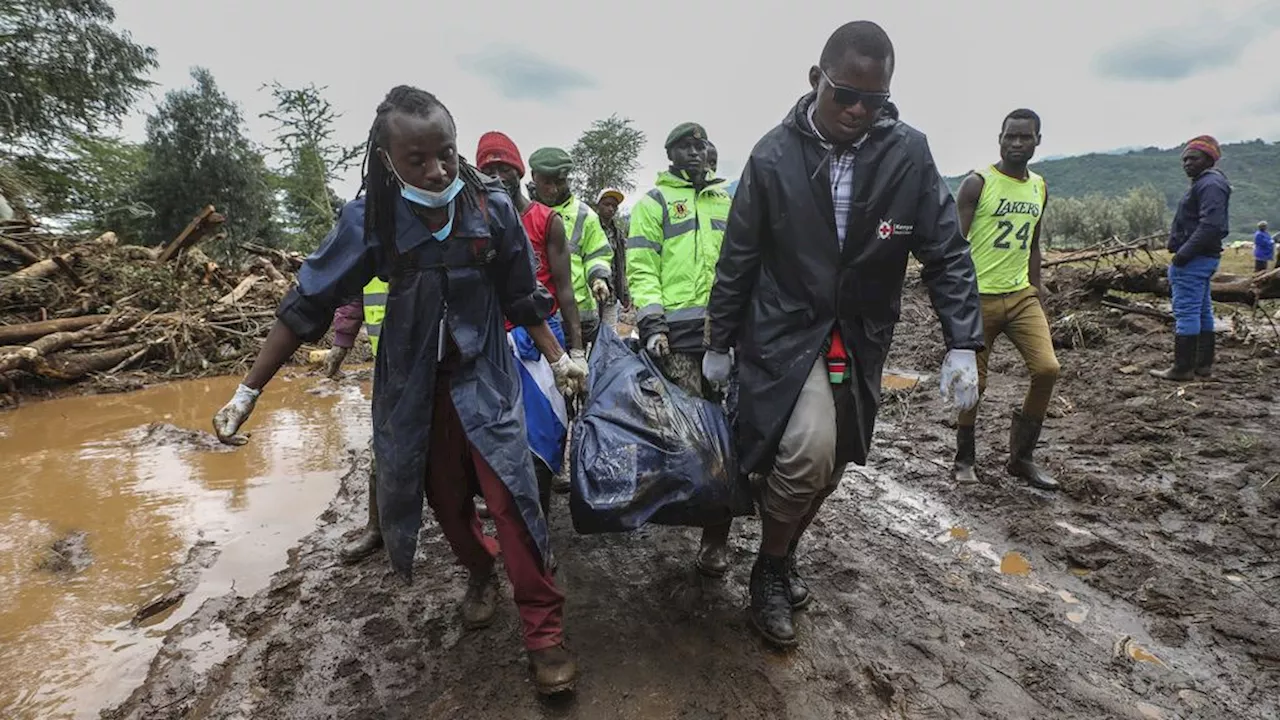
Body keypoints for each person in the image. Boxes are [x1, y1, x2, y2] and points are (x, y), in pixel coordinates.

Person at [210, 86, 583, 695]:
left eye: (446, 153)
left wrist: (560, 357)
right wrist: (249, 390)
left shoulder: (490, 210)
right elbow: (307, 303)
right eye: (418, 160)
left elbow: (522, 296)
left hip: (486, 379)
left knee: (515, 497)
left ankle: (545, 637)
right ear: (387, 160)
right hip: (413, 387)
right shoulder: (372, 220)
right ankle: (479, 568)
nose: (437, 171)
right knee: (441, 503)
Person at [704, 21, 982, 648]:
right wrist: (720, 341)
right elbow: (739, 256)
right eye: (845, 95)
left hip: (861, 331)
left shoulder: (907, 154)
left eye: (874, 100)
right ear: (815, 80)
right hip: (785, 329)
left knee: (840, 456)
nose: (858, 110)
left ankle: (780, 551)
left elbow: (944, 249)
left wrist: (961, 339)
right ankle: (770, 570)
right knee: (806, 449)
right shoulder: (773, 155)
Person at [627, 121, 735, 577]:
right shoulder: (654, 204)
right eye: (684, 147)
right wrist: (652, 324)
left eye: (700, 145)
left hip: (725, 336)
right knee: (689, 432)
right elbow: (641, 265)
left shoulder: (725, 202)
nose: (694, 152)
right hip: (677, 339)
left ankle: (716, 536)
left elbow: (740, 263)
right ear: (670, 155)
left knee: (727, 435)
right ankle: (681, 508)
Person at [476, 130, 587, 512]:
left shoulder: (545, 221)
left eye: (504, 167)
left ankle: (537, 523)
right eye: (488, 170)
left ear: (519, 171)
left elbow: (566, 290)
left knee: (544, 432)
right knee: (501, 432)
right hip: (495, 339)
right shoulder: (479, 223)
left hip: (542, 342)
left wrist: (575, 349)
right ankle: (511, 508)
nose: (497, 176)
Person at [952, 109, 1061, 491]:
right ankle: (964, 458)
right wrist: (955, 304)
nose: (1017, 144)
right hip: (977, 297)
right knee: (973, 384)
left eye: (1025, 137)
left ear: (1037, 141)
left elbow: (1033, 243)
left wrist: (1037, 288)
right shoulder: (977, 184)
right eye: (1010, 137)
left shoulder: (1039, 187)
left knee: (1047, 369)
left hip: (1020, 296)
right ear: (999, 138)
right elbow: (953, 247)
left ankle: (1022, 459)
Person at [1151, 135, 1230, 381]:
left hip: (1194, 259)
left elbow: (1211, 226)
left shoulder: (1209, 185)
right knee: (1202, 310)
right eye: (1184, 159)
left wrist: (1181, 256)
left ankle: (1182, 368)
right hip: (1203, 258)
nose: (1186, 163)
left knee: (1186, 312)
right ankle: (1202, 365)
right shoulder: (1207, 183)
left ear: (1209, 159)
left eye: (1193, 158)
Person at [323, 279, 390, 563]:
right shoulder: (370, 239)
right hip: (389, 363)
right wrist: (341, 340)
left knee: (460, 440)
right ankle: (377, 527)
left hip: (445, 356)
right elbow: (354, 292)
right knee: (382, 448)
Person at [529, 147, 615, 343]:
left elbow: (597, 254)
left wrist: (598, 279)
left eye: (559, 182)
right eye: (546, 182)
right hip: (535, 318)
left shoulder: (585, 215)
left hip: (580, 318)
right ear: (534, 177)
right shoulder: (522, 212)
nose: (553, 189)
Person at [596, 187, 629, 311]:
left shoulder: (618, 234)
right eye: (607, 204)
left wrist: (625, 292)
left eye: (614, 206)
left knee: (610, 330)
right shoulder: (590, 228)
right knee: (591, 328)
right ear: (598, 205)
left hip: (612, 294)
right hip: (594, 292)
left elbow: (621, 265)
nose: (611, 209)